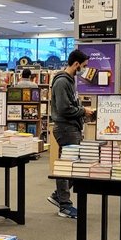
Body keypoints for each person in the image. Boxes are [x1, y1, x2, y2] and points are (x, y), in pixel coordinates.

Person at [48, 49, 89, 218]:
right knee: (67, 166)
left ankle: (59, 196)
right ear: (76, 64)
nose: (84, 70)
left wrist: (82, 111)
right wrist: (83, 111)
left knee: (74, 165)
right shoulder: (62, 82)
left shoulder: (70, 81)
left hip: (71, 127)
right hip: (65, 128)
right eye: (84, 66)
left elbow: (71, 104)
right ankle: (64, 205)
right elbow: (64, 108)